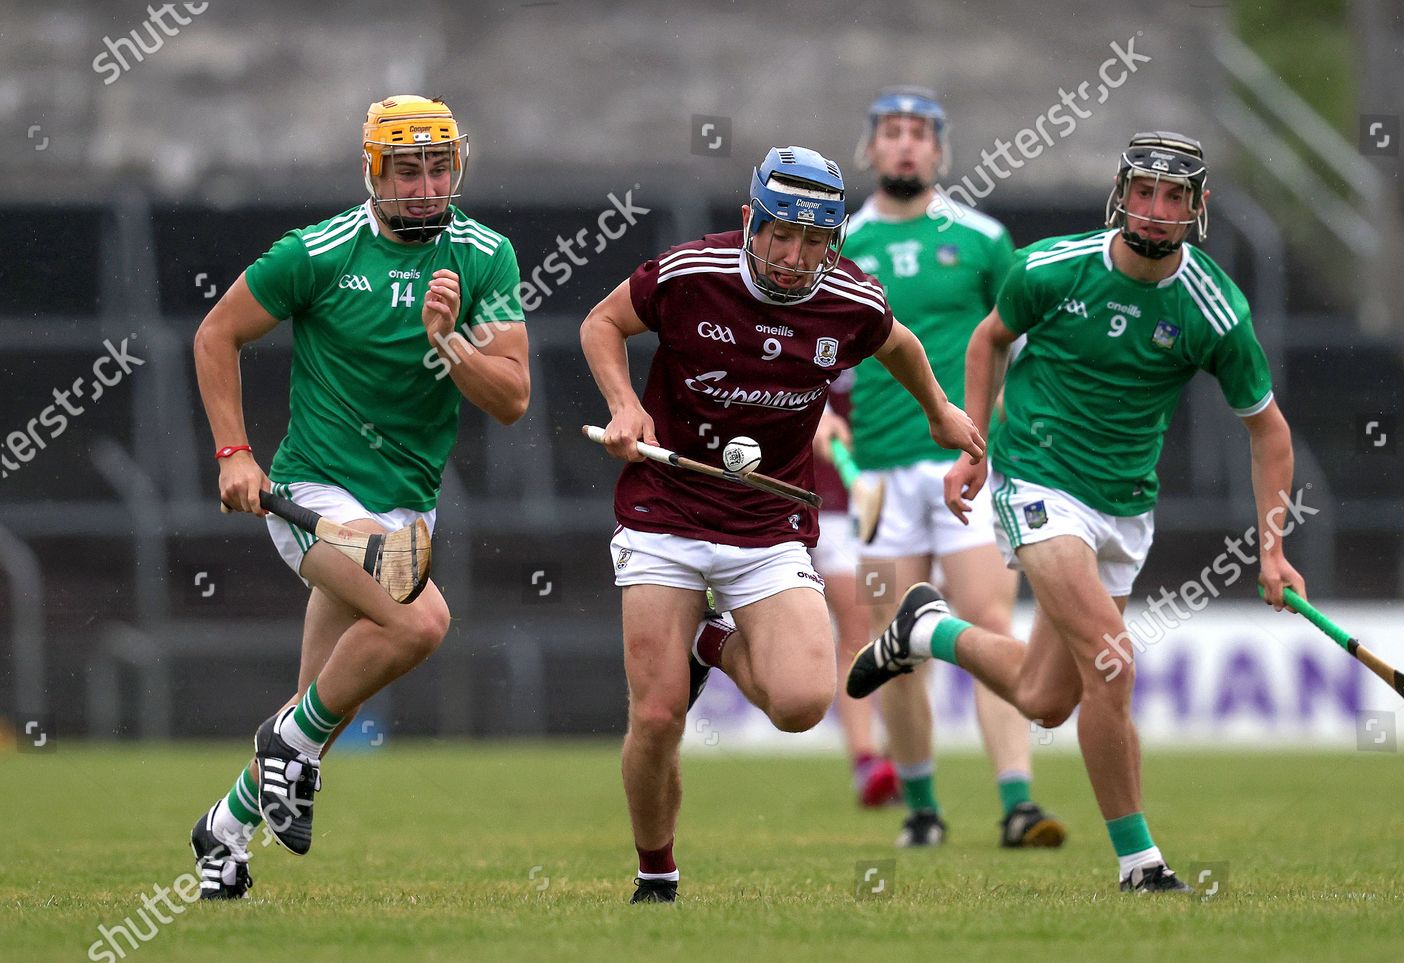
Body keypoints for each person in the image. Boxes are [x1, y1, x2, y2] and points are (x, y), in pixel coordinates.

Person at [848, 131, 1304, 892]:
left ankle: (924, 629)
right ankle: (1140, 862)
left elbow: (1270, 431)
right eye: (1144, 193)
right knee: (1113, 662)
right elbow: (989, 339)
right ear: (1120, 194)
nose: (1155, 213)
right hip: (1036, 479)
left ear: (1198, 209)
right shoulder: (1052, 267)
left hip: (1124, 505)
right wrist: (975, 445)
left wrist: (1273, 548)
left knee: (1045, 696)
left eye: (1174, 198)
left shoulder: (1214, 309)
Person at [580, 145, 984, 903]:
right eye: (779, 234)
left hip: (768, 522)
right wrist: (625, 405)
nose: (795, 256)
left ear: (835, 241)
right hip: (664, 507)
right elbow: (602, 324)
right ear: (749, 221)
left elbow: (898, 342)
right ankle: (656, 870)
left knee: (802, 703)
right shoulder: (690, 274)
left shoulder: (850, 300)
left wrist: (940, 411)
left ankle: (711, 639)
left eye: (814, 240)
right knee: (661, 711)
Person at [189, 95, 530, 898]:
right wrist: (235, 452)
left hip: (409, 505)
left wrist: (449, 340)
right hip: (313, 493)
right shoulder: (317, 252)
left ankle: (224, 832)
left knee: (319, 716)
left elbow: (512, 398)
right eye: (406, 169)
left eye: (439, 167)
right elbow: (216, 333)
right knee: (423, 620)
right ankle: (285, 741)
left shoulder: (485, 256)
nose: (424, 185)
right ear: (373, 171)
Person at [823, 86, 1064, 849]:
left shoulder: (986, 240)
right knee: (895, 642)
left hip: (971, 467)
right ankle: (922, 809)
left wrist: (1008, 437)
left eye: (919, 134)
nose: (904, 146)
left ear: (940, 150)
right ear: (870, 148)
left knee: (992, 623)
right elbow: (814, 348)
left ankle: (1018, 802)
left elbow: (1021, 350)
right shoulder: (841, 242)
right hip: (882, 478)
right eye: (891, 132)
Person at [809, 371, 900, 807]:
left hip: (890, 502)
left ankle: (900, 754)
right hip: (834, 508)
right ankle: (865, 759)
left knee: (891, 627)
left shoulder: (889, 332)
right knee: (858, 626)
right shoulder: (816, 326)